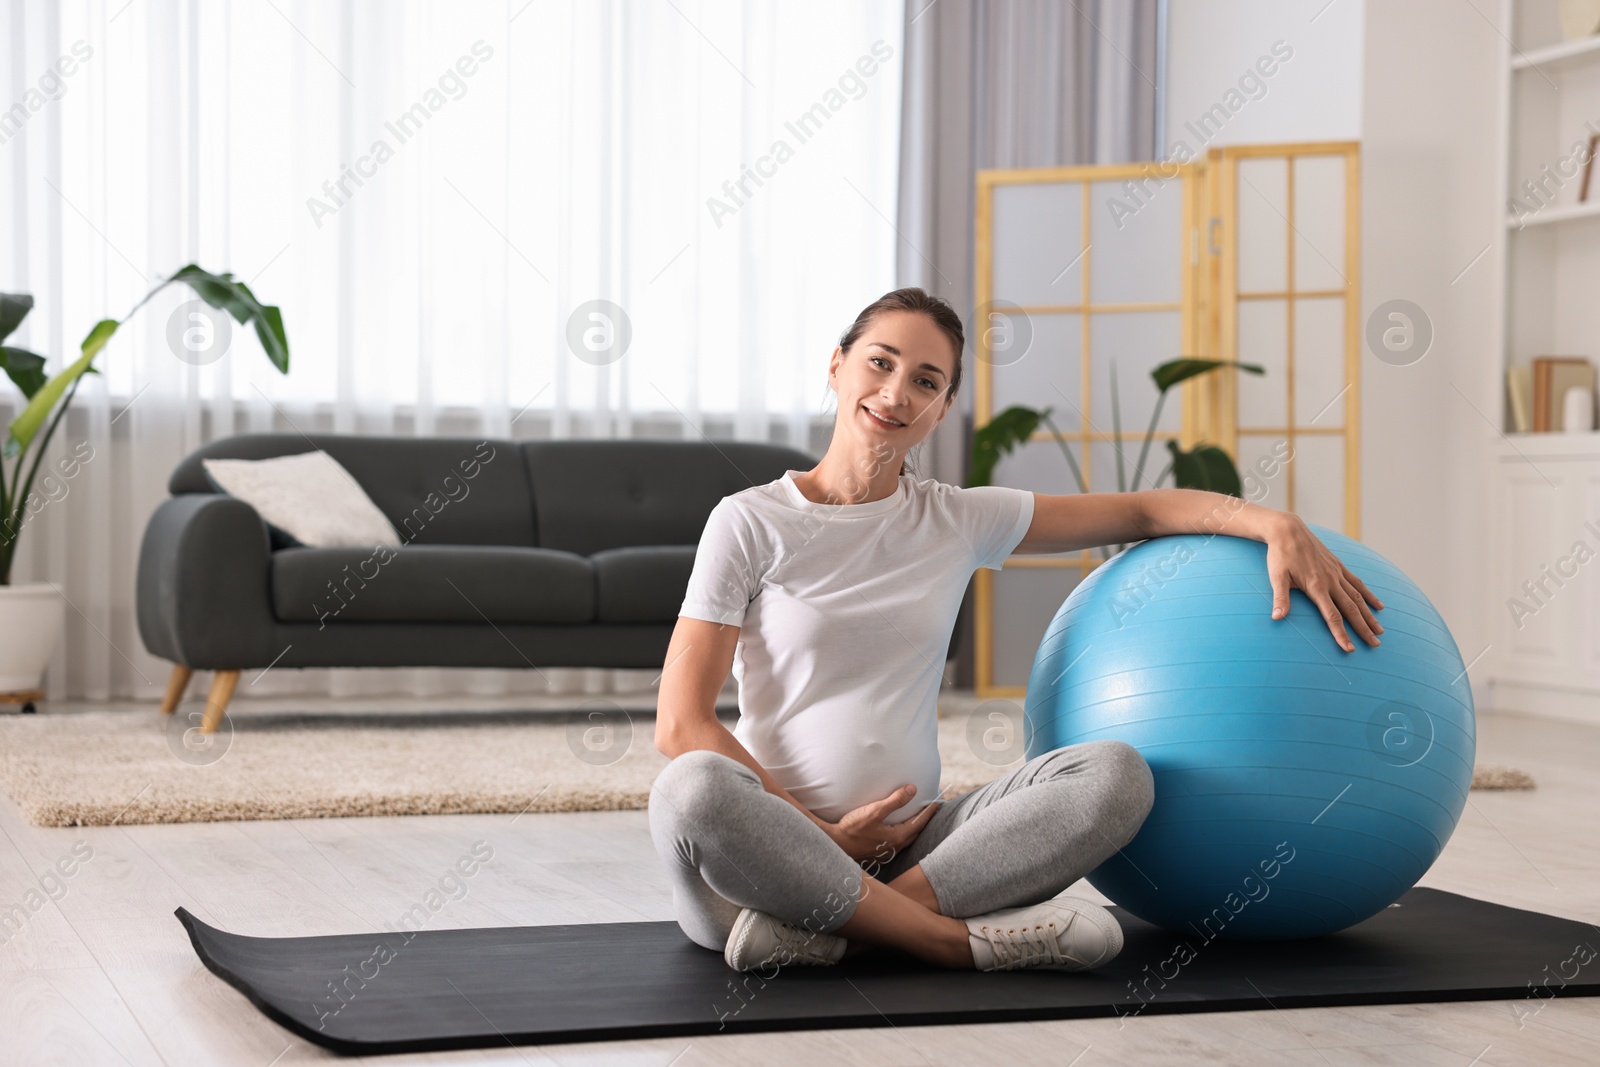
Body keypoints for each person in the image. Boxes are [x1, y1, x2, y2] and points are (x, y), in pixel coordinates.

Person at [648, 287, 1385, 974]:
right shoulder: (748, 521)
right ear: (838, 366)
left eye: (928, 381)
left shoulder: (957, 519)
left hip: (921, 848)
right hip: (768, 858)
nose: (897, 392)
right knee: (693, 788)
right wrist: (820, 834)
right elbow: (681, 722)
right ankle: (945, 943)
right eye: (881, 362)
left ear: (942, 408)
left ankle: (842, 932)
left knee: (1115, 775)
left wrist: (1275, 522)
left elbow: (1141, 512)